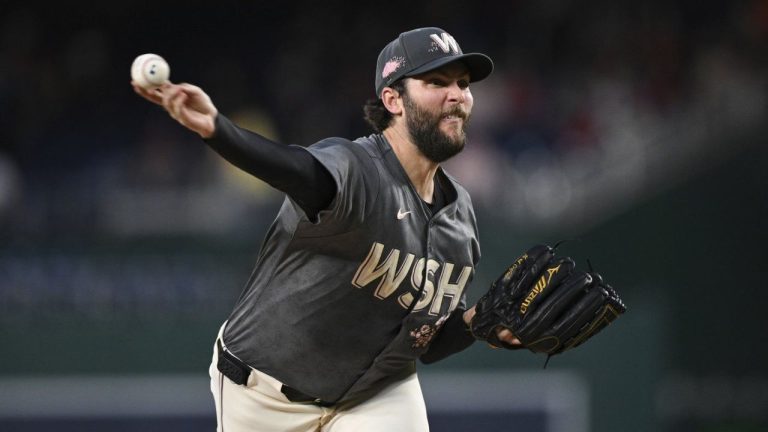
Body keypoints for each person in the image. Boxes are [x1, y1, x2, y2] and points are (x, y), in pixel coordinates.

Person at [132, 26, 516, 432]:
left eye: (463, 83)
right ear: (393, 100)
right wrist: (216, 128)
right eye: (436, 82)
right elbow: (296, 170)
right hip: (264, 395)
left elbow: (426, 340)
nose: (456, 95)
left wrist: (478, 320)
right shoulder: (354, 169)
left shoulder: (460, 219)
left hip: (376, 391)